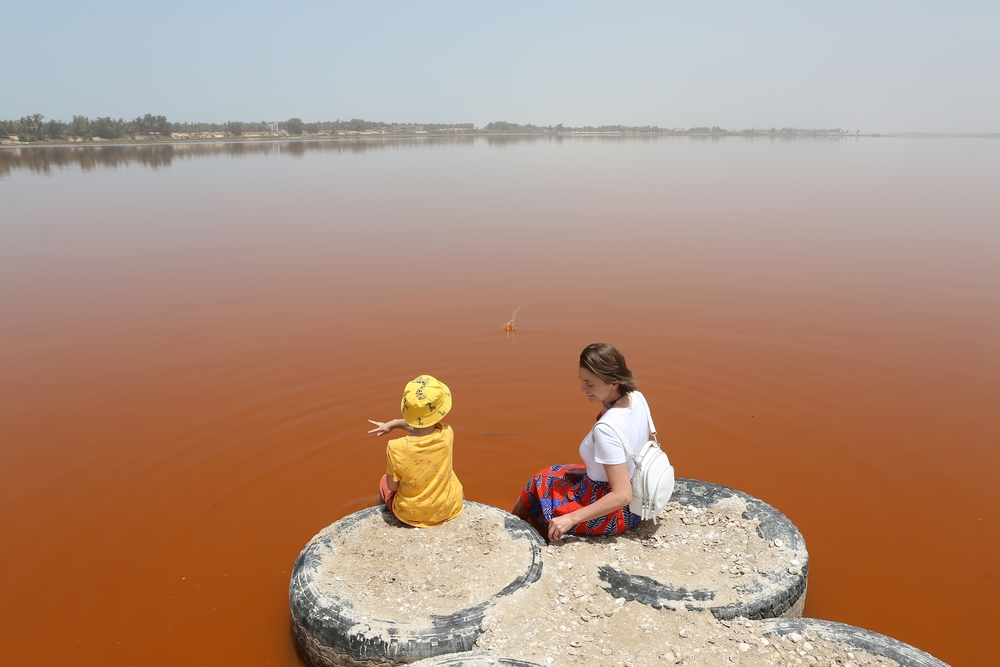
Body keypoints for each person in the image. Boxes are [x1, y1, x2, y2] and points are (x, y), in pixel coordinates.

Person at [513, 343, 656, 541]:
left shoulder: (607, 429)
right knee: (552, 474)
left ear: (613, 381)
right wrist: (589, 471)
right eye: (582, 381)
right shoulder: (636, 397)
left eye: (590, 383)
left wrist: (571, 518)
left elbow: (622, 495)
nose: (583, 388)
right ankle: (522, 526)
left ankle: (515, 530)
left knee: (539, 482)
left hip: (618, 512)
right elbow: (629, 451)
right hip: (641, 495)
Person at [367, 375, 464, 527]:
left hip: (411, 515)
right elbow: (424, 426)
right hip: (448, 507)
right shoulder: (447, 433)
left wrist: (392, 424)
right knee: (451, 476)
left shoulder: (395, 447)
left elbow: (392, 487)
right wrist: (394, 423)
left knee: (383, 483)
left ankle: (381, 518)